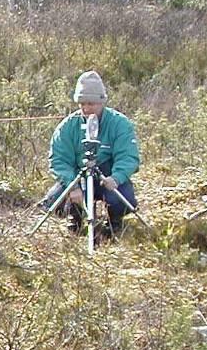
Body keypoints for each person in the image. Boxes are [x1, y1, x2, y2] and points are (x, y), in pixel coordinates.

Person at [42, 70, 140, 235]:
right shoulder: (68, 127)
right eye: (82, 104)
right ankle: (77, 217)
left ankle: (114, 222)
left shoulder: (119, 124)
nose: (86, 108)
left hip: (107, 177)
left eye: (91, 104)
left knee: (122, 200)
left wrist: (117, 178)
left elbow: (128, 156)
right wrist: (71, 185)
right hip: (78, 176)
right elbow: (59, 160)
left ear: (102, 102)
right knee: (55, 202)